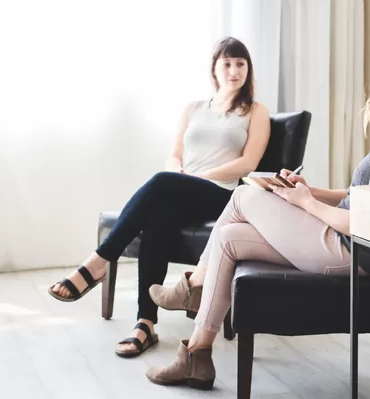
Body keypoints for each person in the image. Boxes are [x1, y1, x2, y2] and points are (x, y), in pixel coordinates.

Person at [145, 36, 370, 390]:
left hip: (353, 252)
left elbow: (366, 224)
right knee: (228, 238)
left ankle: (192, 286)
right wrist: (309, 190)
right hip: (350, 246)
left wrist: (306, 203)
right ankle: (196, 356)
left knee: (242, 196)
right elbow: (361, 199)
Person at [47, 37, 271, 358]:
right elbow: (174, 155)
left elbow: (248, 164)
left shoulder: (255, 111)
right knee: (158, 217)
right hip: (180, 190)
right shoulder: (193, 109)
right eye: (227, 63)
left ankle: (99, 261)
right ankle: (145, 324)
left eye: (240, 64)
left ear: (248, 70)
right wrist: (177, 173)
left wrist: (193, 178)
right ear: (214, 69)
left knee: (163, 183)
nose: (234, 70)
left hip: (221, 194)